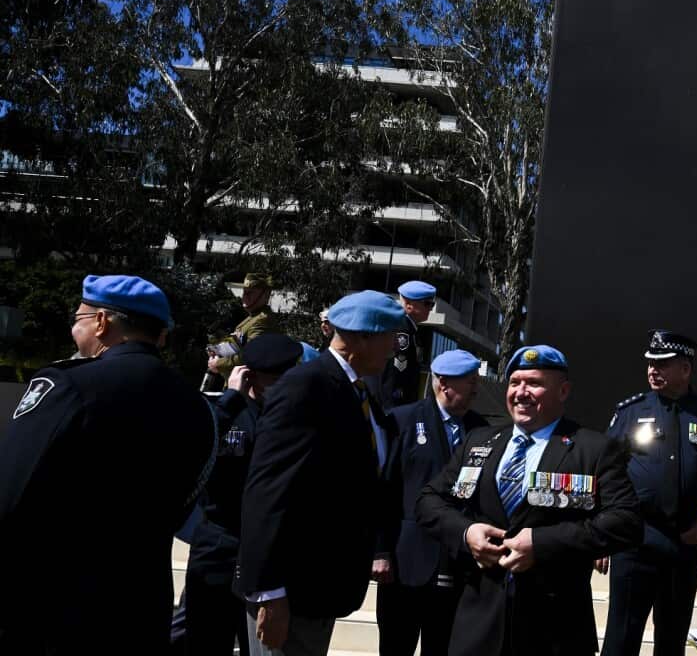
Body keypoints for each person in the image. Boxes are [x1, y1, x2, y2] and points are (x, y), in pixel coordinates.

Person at [0, 275, 217, 654]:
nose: (74, 328)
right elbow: (187, 502)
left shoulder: (68, 385)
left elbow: (10, 493)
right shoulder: (197, 406)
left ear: (101, 322)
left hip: (54, 606)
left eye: (78, 317)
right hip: (140, 608)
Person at [416, 345, 642, 656]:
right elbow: (429, 501)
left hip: (554, 631)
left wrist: (541, 543)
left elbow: (626, 523)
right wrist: (467, 534)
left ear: (563, 391)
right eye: (514, 382)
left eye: (534, 383)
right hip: (476, 626)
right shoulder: (479, 441)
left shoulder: (593, 449)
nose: (521, 392)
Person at [236, 290, 404, 655]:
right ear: (363, 337)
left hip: (322, 591)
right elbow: (268, 491)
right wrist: (270, 592)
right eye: (391, 337)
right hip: (290, 592)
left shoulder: (356, 392)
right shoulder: (306, 387)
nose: (394, 349)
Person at [598, 330, 697, 656]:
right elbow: (605, 472)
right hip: (635, 542)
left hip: (683, 544)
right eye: (649, 363)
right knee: (620, 640)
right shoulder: (630, 412)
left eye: (662, 364)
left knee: (672, 641)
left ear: (685, 370)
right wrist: (603, 533)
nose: (652, 370)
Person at [186, 334, 303, 656]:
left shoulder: (291, 415)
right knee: (205, 642)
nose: (282, 385)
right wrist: (231, 398)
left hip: (266, 552)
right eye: (274, 378)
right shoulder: (225, 410)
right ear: (250, 375)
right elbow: (195, 448)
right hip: (219, 546)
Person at [378, 349, 491, 656]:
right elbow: (384, 491)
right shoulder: (403, 420)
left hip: (457, 561)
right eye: (470, 382)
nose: (476, 390)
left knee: (443, 646)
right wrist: (380, 551)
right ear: (443, 383)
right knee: (395, 644)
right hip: (406, 561)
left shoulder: (482, 431)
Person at [207, 272, 280, 378]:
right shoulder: (253, 317)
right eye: (244, 292)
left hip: (249, 386)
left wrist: (218, 364)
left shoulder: (263, 320)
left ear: (265, 295)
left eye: (250, 293)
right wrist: (219, 352)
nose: (244, 296)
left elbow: (251, 355)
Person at [380, 280, 436, 409]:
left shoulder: (411, 331)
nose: (430, 309)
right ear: (409, 305)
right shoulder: (402, 331)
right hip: (396, 405)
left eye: (431, 305)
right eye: (427, 304)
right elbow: (396, 374)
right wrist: (395, 408)